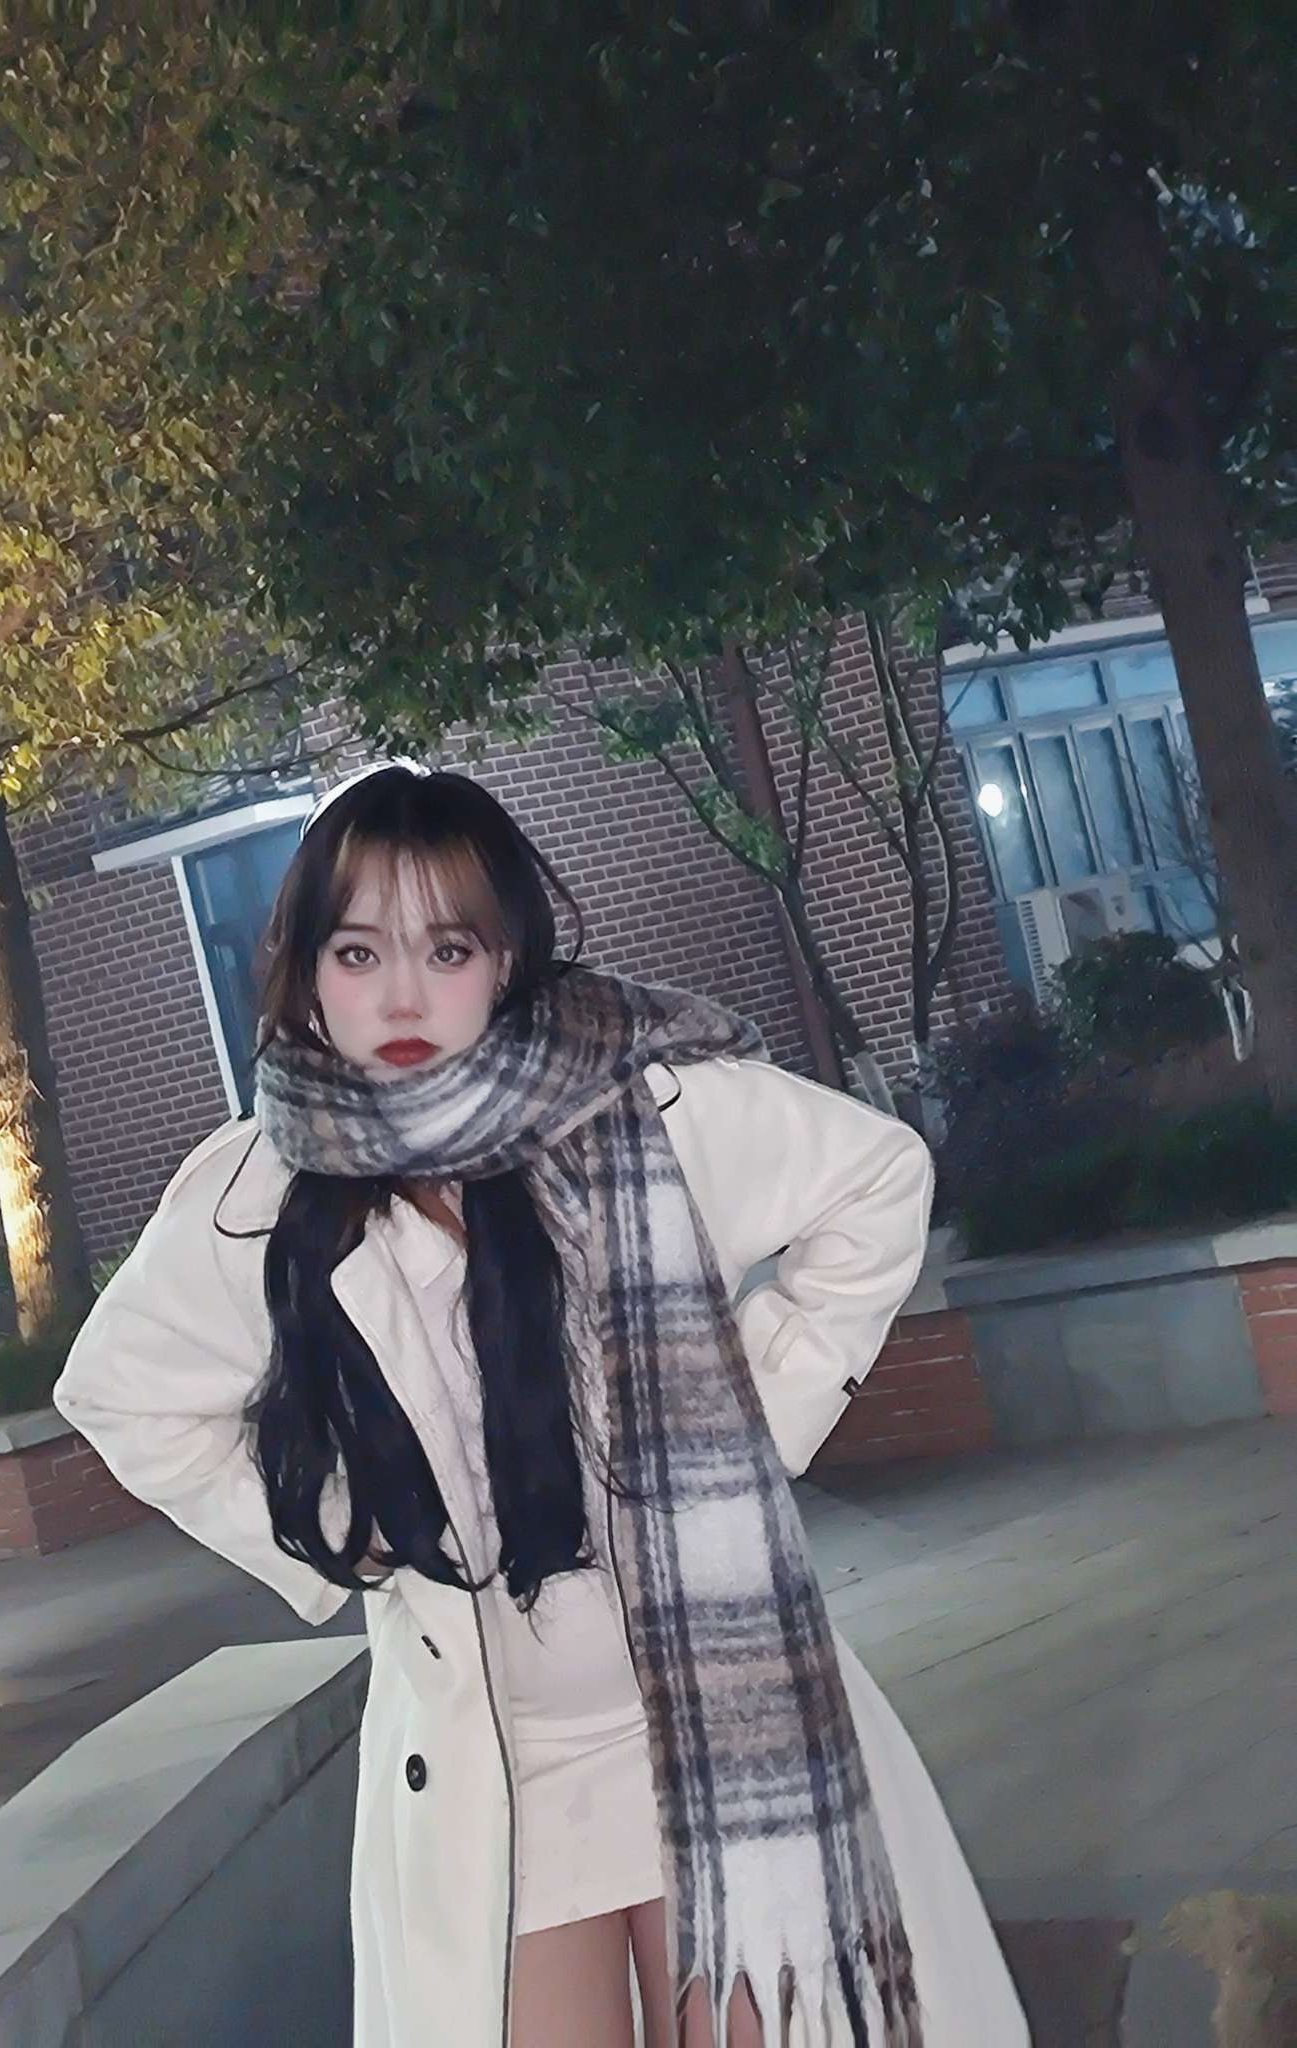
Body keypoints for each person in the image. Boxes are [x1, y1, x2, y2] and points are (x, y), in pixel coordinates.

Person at [52, 765, 1029, 2048]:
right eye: (359, 951)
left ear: (503, 958)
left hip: (713, 1723)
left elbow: (878, 1181)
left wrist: (749, 1419)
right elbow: (123, 1392)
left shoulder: (635, 1101)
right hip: (496, 1772)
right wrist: (339, 1528)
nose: (404, 996)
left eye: (447, 949)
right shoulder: (262, 1189)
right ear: (306, 969)